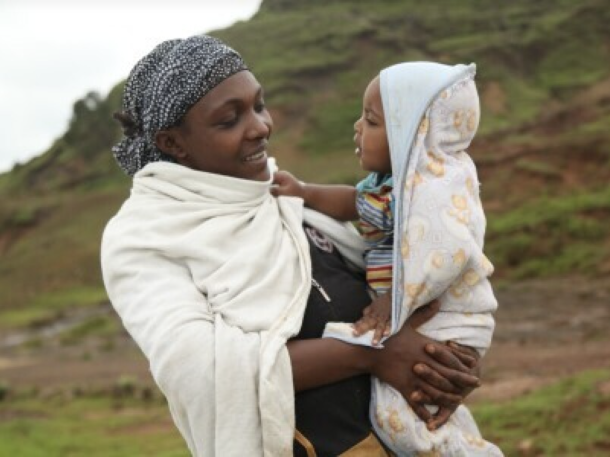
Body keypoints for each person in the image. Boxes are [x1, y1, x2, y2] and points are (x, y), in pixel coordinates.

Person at [101, 35, 483, 457]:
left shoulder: (284, 200)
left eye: (259, 106)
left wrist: (441, 351)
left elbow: (401, 272)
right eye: (230, 119)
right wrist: (370, 355)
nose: (261, 127)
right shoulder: (144, 238)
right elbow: (203, 373)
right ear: (172, 143)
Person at [272, 62, 503, 455]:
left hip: (447, 314)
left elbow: (444, 256)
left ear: (413, 133)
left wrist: (394, 299)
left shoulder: (436, 190)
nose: (357, 127)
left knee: (404, 412)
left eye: (372, 120)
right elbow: (354, 203)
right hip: (412, 309)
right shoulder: (392, 186)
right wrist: (304, 191)